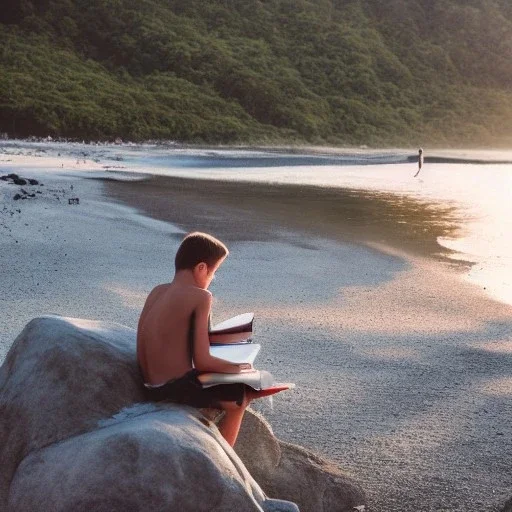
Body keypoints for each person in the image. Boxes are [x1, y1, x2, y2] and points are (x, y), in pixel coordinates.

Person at [137, 231, 271, 446]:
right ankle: (224, 457)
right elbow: (202, 361)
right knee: (240, 397)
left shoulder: (157, 291)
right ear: (201, 268)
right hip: (173, 389)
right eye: (213, 272)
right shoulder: (201, 297)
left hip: (147, 385)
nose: (212, 279)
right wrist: (242, 368)